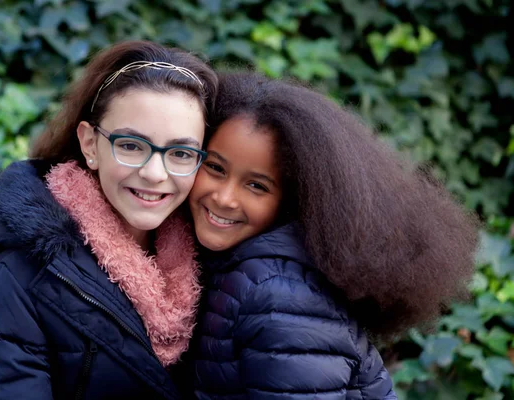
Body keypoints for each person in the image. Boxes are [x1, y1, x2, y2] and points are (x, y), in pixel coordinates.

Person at [188, 72, 478, 399]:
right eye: (215, 168)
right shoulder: (237, 267)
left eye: (257, 186)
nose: (225, 198)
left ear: (292, 201)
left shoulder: (279, 295)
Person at [0, 40, 217, 400]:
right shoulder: (20, 273)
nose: (155, 173)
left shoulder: (215, 256)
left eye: (180, 153)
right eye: (130, 145)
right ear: (89, 144)